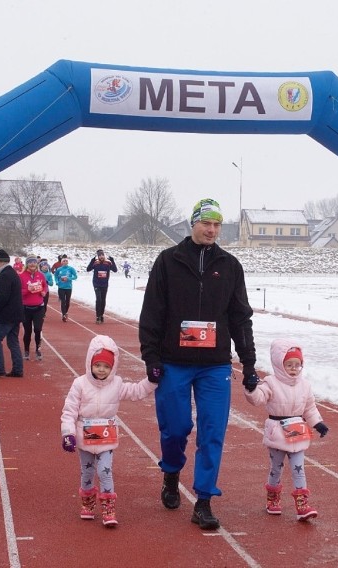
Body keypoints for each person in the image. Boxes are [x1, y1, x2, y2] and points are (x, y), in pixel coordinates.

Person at [139, 197, 257, 531]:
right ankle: (171, 472)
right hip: (174, 362)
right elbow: (152, 313)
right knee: (175, 428)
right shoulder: (168, 261)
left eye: (218, 225)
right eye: (206, 223)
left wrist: (248, 362)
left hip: (215, 366)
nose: (212, 230)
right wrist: (151, 357)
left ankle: (204, 500)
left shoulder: (230, 266)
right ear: (193, 224)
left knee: (212, 432)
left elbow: (240, 317)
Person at [60, 335, 158, 527]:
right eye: (98, 365)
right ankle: (87, 503)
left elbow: (136, 391)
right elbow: (69, 411)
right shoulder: (79, 384)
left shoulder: (117, 384)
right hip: (84, 438)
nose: (102, 370)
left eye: (106, 366)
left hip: (106, 439)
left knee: (105, 471)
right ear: (90, 363)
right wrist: (68, 434)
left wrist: (152, 381)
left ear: (112, 367)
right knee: (87, 473)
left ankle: (108, 508)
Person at [242, 341, 329, 521]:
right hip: (277, 432)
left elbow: (310, 408)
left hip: (297, 432)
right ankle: (273, 499)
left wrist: (318, 423)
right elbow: (258, 398)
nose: (293, 369)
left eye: (297, 365)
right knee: (276, 468)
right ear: (279, 364)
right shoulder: (270, 382)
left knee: (299, 468)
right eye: (289, 365)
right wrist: (251, 388)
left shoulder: (305, 385)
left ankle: (302, 505)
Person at [0, 249, 24, 378]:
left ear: (1, 262)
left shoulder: (5, 275)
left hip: (7, 315)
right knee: (13, 342)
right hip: (16, 314)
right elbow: (4, 294)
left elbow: (3, 297)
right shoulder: (11, 273)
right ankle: (18, 369)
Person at [20, 256, 48, 361]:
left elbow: (45, 286)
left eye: (34, 262)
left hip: (39, 307)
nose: (32, 264)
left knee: (37, 329)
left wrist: (44, 292)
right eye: (30, 262)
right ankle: (26, 350)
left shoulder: (41, 275)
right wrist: (28, 290)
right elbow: (18, 291)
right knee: (27, 331)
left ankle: (38, 349)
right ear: (27, 264)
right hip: (26, 308)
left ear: (37, 264)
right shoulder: (21, 276)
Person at [87, 249, 117, 324]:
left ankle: (101, 315)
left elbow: (115, 270)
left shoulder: (108, 263)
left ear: (104, 256)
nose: (101, 257)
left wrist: (113, 261)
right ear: (98, 256)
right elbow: (88, 269)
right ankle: (98, 316)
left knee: (103, 300)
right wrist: (92, 261)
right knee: (98, 299)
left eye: (102, 255)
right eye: (99, 255)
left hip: (105, 284)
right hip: (96, 284)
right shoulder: (95, 263)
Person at [53, 255, 78, 322]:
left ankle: (66, 312)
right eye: (64, 261)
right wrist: (57, 281)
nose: (65, 262)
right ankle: (63, 314)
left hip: (68, 287)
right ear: (61, 262)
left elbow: (75, 277)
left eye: (66, 261)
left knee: (67, 301)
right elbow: (55, 276)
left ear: (68, 262)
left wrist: (69, 278)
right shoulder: (59, 269)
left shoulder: (71, 269)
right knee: (63, 301)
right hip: (61, 287)